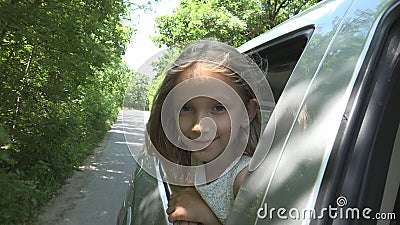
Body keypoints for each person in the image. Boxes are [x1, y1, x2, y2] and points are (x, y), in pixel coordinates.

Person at [146, 40, 267, 225]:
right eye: (186, 108)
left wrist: (206, 217)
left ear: (247, 112)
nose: (198, 127)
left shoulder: (245, 180)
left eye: (218, 107)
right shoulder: (197, 160)